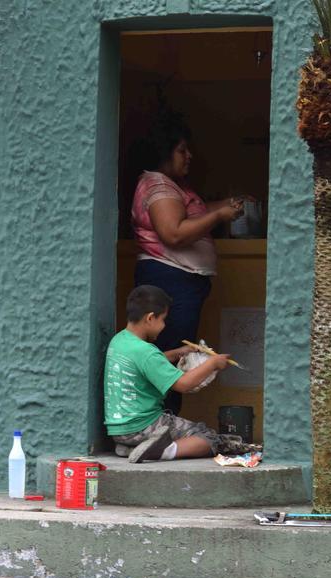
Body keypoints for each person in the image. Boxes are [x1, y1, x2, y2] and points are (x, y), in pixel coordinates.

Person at [130, 110, 248, 414]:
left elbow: (191, 215)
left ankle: (164, 421)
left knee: (173, 357)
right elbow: (174, 233)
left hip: (178, 283)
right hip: (169, 280)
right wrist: (219, 216)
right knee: (166, 357)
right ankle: (157, 421)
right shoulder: (158, 185)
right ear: (164, 152)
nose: (189, 156)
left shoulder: (174, 187)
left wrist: (222, 206)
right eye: (182, 150)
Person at [105, 285, 253, 463]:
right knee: (206, 435)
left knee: (181, 431)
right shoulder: (146, 352)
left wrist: (178, 352)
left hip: (119, 431)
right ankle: (159, 452)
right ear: (150, 318)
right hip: (143, 425)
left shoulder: (120, 341)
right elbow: (183, 384)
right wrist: (213, 363)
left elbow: (146, 364)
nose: (164, 326)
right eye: (163, 320)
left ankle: (130, 447)